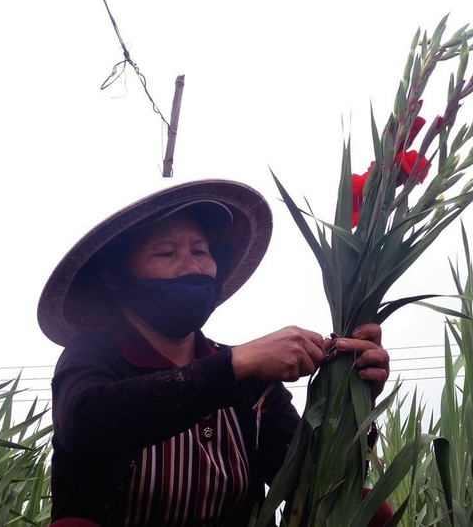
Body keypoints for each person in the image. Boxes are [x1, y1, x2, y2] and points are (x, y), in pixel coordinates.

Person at [38, 180, 390, 526]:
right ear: (115, 277)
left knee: (369, 509)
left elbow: (311, 478)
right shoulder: (94, 355)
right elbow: (86, 423)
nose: (192, 267)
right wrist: (233, 366)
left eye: (201, 251)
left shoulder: (251, 379)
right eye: (166, 253)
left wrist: (354, 400)